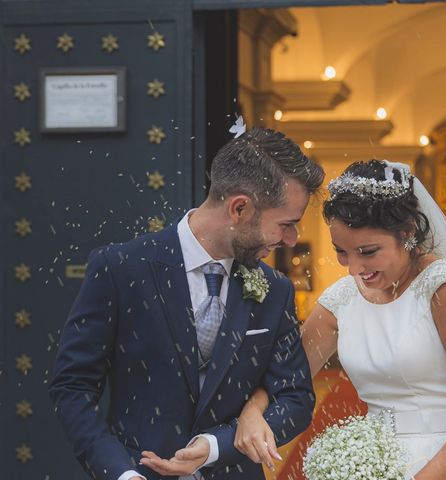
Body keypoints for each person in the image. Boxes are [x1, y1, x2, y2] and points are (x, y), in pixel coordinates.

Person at [234, 160, 446, 479]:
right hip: (377, 465)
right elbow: (286, 376)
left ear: (407, 233)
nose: (353, 268)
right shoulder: (342, 299)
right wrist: (253, 411)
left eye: (368, 251)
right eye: (342, 251)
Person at [48, 127, 324, 480]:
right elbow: (73, 387)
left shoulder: (275, 289)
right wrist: (120, 473)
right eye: (285, 224)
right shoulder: (120, 268)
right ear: (240, 208)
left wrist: (215, 445)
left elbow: (296, 398)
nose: (291, 239)